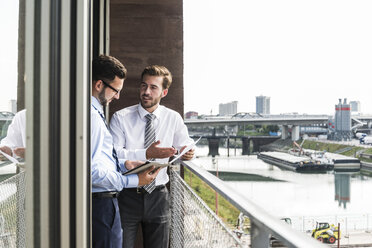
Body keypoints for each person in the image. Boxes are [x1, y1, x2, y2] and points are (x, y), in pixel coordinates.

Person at [110, 65, 195, 248]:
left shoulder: (173, 118)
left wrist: (188, 153)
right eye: (143, 86)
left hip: (158, 196)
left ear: (164, 92)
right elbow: (114, 155)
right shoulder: (120, 117)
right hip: (127, 194)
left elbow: (185, 145)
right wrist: (147, 154)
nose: (146, 92)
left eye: (153, 87)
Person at [91, 55, 159, 248]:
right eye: (116, 90)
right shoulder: (91, 117)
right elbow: (91, 172)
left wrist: (124, 165)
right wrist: (135, 181)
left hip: (102, 203)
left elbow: (98, 159)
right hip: (100, 205)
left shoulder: (92, 113)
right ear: (99, 85)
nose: (117, 97)